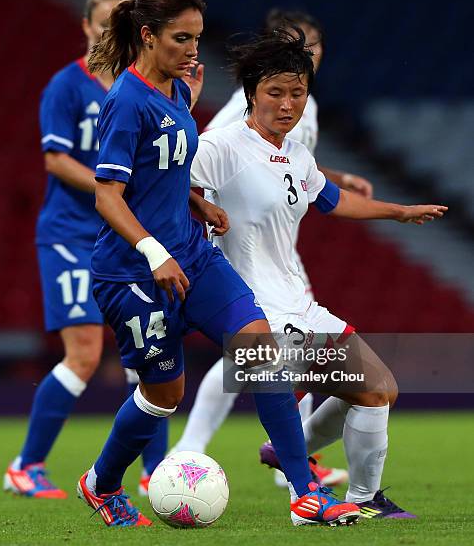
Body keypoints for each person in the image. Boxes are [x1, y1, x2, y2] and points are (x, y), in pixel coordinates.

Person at [76, 0, 361, 528]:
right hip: (134, 274)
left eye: (198, 37)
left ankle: (306, 493)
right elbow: (107, 193)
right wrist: (156, 250)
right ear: (148, 35)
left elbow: (163, 173)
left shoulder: (180, 92)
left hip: (193, 256)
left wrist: (195, 204)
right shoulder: (125, 102)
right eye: (181, 39)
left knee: (263, 350)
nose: (192, 50)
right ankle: (102, 483)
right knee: (162, 397)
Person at [189, 27, 447, 517]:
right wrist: (200, 207)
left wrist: (398, 212)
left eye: (297, 93)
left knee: (379, 390)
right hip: (253, 306)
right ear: (252, 94)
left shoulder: (296, 153)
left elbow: (331, 199)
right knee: (346, 390)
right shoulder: (221, 145)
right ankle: (312, 495)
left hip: (299, 301)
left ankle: (333, 482)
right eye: (275, 93)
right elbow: (166, 182)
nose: (288, 104)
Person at [170, 9, 369, 489]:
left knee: (278, 348)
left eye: (315, 43)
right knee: (270, 348)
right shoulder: (245, 102)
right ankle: (193, 451)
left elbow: (286, 161)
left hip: (280, 247)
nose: (310, 51)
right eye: (297, 42)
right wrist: (205, 208)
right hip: (241, 241)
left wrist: (334, 180)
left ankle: (286, 457)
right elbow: (209, 153)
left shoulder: (307, 104)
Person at [3, 0, 136, 499]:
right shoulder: (65, 86)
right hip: (72, 234)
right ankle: (27, 464)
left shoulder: (135, 89)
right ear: (86, 26)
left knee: (147, 353)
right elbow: (55, 159)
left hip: (119, 234)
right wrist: (112, 185)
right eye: (103, 23)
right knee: (84, 354)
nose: (110, 33)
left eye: (120, 25)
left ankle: (152, 473)